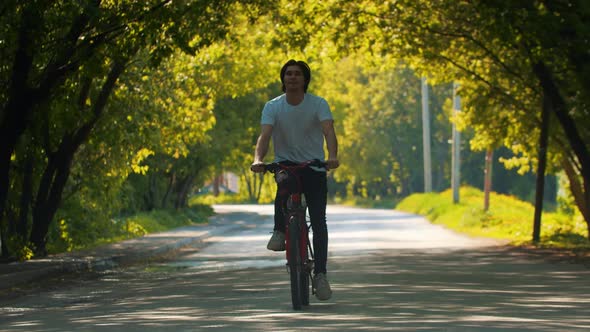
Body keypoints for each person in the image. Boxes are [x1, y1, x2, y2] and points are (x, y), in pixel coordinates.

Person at [250, 59, 339, 301]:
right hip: (286, 165)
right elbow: (265, 135)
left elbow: (328, 130)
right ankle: (280, 231)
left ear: (305, 79)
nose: (292, 77)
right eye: (288, 74)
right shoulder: (273, 106)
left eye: (297, 74)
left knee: (319, 221)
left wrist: (332, 157)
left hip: (314, 167)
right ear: (283, 79)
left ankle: (320, 274)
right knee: (284, 186)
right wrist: (259, 159)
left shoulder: (318, 104)